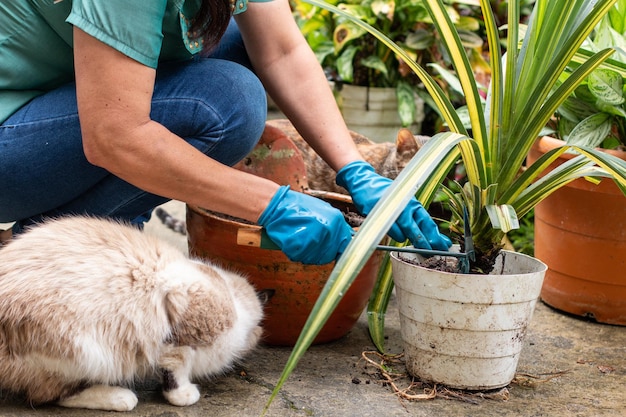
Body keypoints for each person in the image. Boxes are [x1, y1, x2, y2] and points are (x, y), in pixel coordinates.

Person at [0, 0, 451, 263]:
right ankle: (56, 247)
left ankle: (85, 221)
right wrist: (271, 205)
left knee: (236, 41)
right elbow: (115, 134)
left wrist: (354, 168)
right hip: (12, 135)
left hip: (59, 94)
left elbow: (281, 51)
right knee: (226, 102)